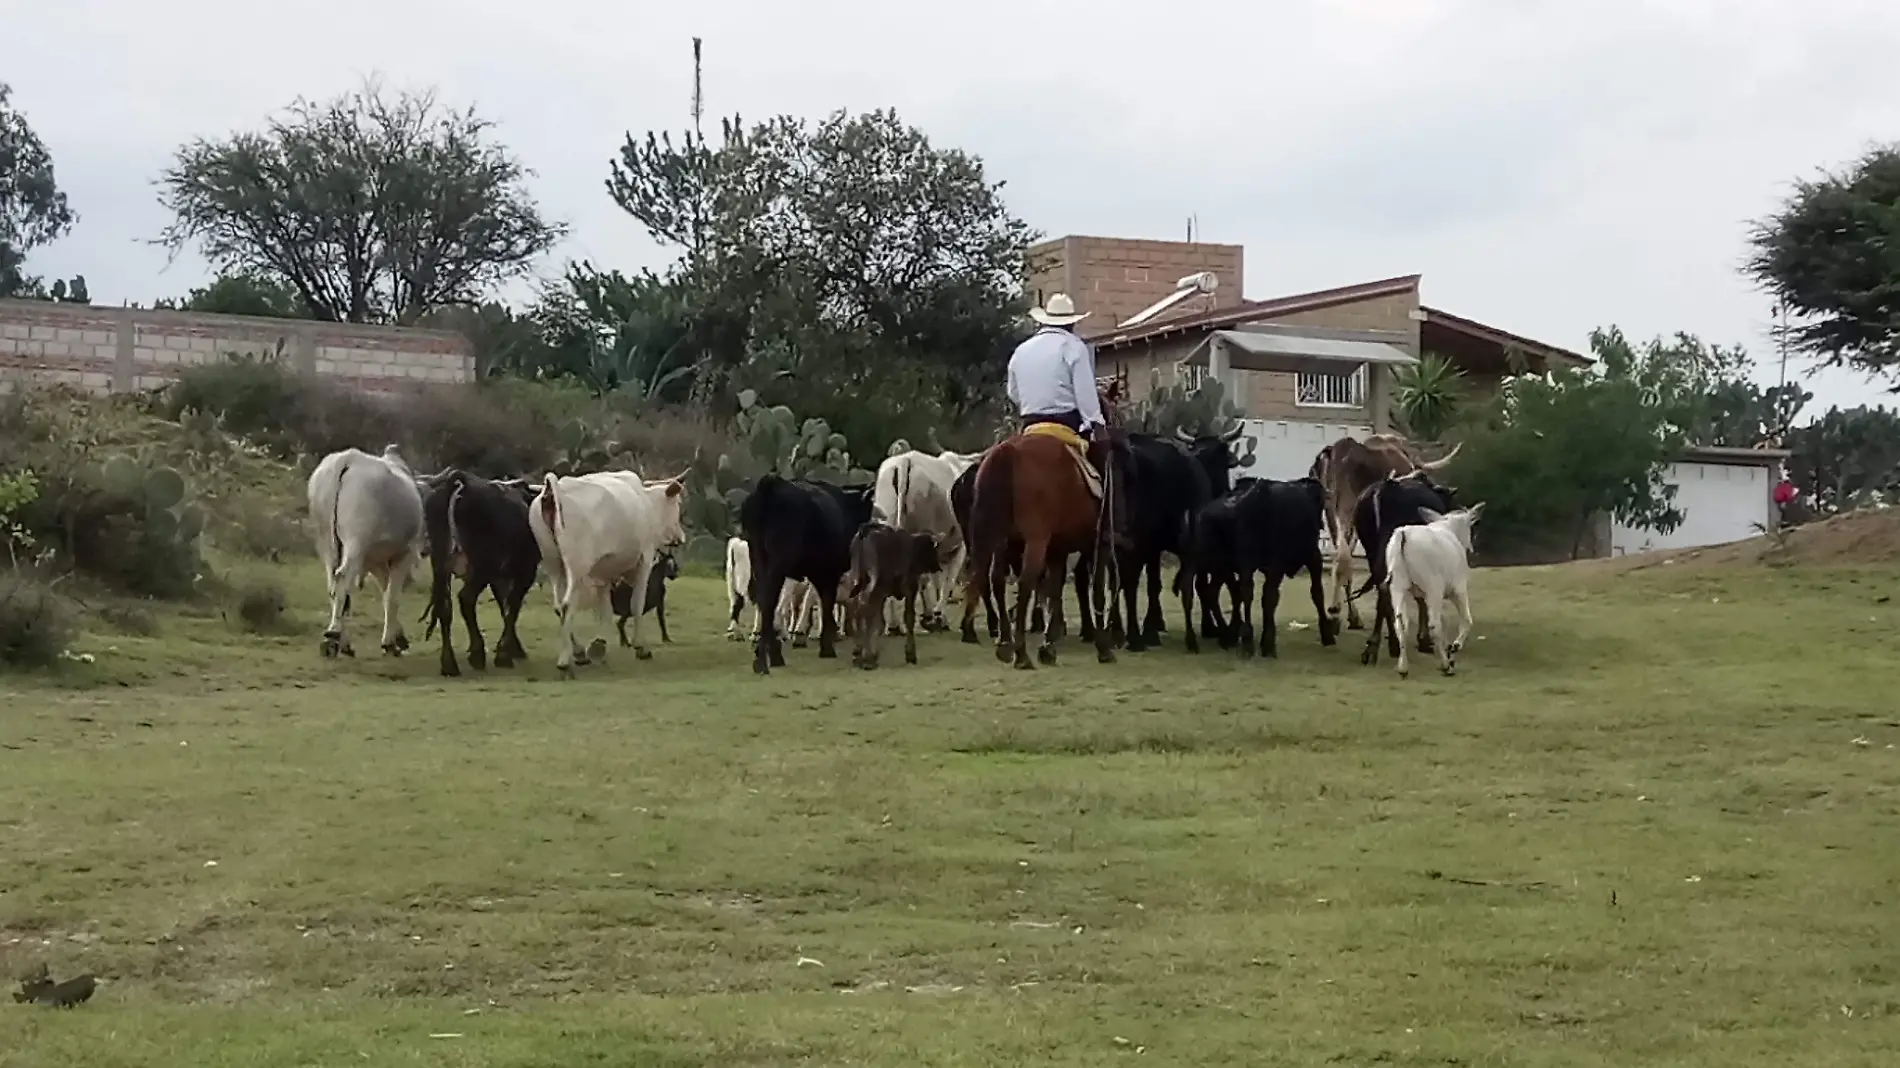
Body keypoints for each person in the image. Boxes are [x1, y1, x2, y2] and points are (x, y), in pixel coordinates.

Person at [1008, 293, 1107, 442]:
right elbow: (1085, 396)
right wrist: (1096, 422)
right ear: (1071, 323)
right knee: (1102, 456)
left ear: (1044, 321)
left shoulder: (1021, 350)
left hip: (1030, 423)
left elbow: (1013, 393)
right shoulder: (1074, 347)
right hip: (1065, 422)